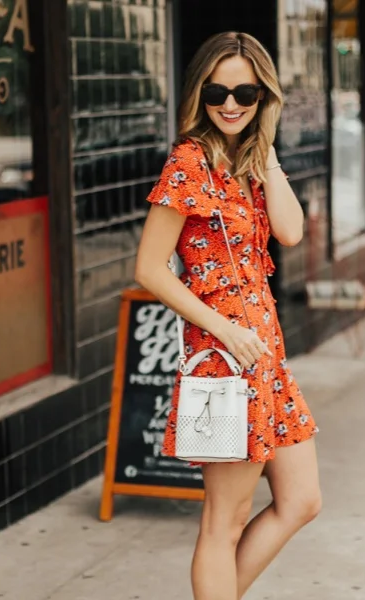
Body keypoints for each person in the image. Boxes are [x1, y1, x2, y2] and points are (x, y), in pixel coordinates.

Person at [135, 31, 321, 600]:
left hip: (265, 358)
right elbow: (149, 268)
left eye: (246, 91)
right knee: (225, 521)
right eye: (218, 91)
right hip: (223, 362)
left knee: (301, 501)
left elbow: (290, 230)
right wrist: (224, 329)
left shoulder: (250, 159)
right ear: (201, 93)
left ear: (264, 95)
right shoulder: (189, 163)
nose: (232, 103)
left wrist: (265, 151)